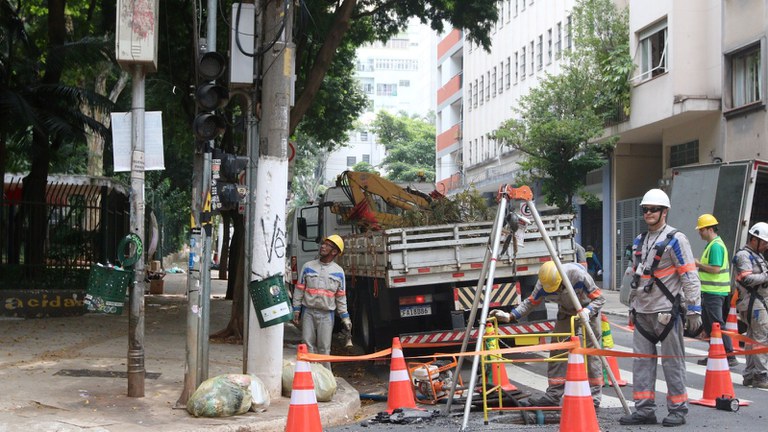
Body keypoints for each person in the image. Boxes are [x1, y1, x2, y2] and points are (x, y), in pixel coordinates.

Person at [620, 189, 701, 427]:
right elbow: (634, 277)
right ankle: (644, 410)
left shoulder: (677, 240)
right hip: (643, 313)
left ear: (664, 212)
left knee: (672, 361)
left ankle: (678, 409)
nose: (648, 213)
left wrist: (695, 309)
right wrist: (631, 307)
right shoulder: (639, 240)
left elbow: (689, 275)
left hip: (666, 312)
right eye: (645, 209)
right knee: (642, 362)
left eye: (653, 209)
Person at [490, 261, 605, 409]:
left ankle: (594, 398)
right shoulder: (543, 284)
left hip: (589, 310)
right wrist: (510, 316)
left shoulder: (578, 276)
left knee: (592, 352)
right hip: (566, 312)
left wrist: (588, 311)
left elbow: (600, 298)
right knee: (557, 349)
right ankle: (553, 395)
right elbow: (531, 302)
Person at [292, 234, 351, 370]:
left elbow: (341, 297)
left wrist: (345, 317)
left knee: (324, 348)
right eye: (323, 244)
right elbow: (299, 289)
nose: (323, 246)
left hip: (327, 314)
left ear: (334, 252)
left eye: (327, 245)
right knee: (307, 345)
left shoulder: (338, 272)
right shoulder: (308, 267)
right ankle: (310, 376)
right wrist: (296, 310)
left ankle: (325, 377)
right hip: (308, 312)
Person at [694, 214, 737, 366]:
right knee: (709, 325)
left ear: (710, 229)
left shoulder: (716, 246)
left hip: (715, 293)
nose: (699, 232)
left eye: (701, 229)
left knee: (716, 324)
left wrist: (698, 265)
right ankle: (716, 353)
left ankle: (729, 355)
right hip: (710, 292)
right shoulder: (712, 245)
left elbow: (715, 269)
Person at [733, 222, 768, 388]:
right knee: (761, 337)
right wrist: (766, 276)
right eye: (765, 242)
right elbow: (747, 279)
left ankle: (750, 374)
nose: (766, 246)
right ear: (754, 239)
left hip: (757, 302)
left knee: (753, 337)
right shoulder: (743, 256)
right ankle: (761, 376)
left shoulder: (757, 255)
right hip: (752, 303)